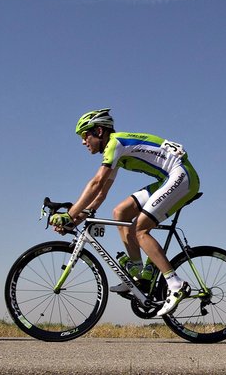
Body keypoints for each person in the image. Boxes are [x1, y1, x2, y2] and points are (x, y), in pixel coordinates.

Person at [48, 108, 200, 318]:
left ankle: (175, 284)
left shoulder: (115, 143)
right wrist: (76, 219)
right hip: (169, 179)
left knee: (141, 230)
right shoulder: (116, 151)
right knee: (120, 212)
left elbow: (96, 182)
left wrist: (69, 214)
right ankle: (138, 274)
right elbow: (101, 193)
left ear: (99, 131)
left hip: (182, 177)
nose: (83, 142)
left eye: (85, 136)